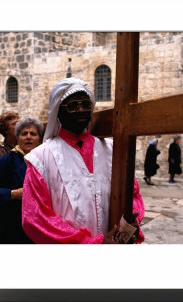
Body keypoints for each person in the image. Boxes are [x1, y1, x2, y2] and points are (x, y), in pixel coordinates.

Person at [22, 78, 145, 244]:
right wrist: (90, 243)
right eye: (72, 106)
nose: (80, 110)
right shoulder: (41, 158)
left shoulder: (112, 150)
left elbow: (132, 192)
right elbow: (35, 217)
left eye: (86, 104)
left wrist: (130, 221)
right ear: (58, 111)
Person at [0, 117, 43, 243]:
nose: (28, 137)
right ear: (17, 138)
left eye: (33, 134)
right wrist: (15, 194)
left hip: (40, 225)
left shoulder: (46, 160)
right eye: (23, 134)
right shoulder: (7, 160)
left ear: (40, 139)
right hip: (11, 226)